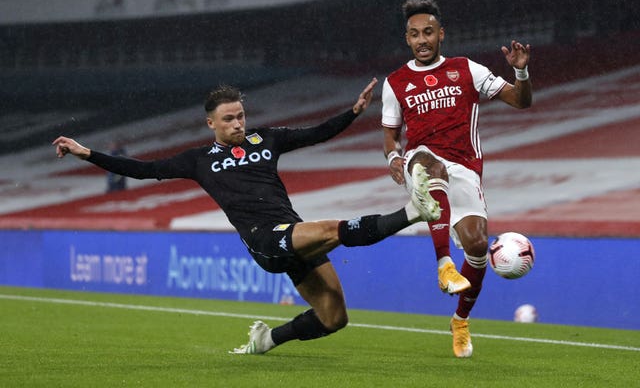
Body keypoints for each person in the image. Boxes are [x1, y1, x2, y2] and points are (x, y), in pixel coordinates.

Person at [53, 78, 440, 354]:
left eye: (240, 116)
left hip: (292, 231)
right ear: (211, 124)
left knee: (334, 317)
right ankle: (412, 211)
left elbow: (316, 133)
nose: (237, 123)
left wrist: (353, 113)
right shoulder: (198, 160)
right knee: (329, 229)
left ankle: (267, 340)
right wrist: (87, 153)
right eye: (228, 119)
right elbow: (141, 169)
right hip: (264, 240)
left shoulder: (266, 138)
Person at [381, 0, 532, 358]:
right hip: (421, 160)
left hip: (465, 167)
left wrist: (521, 73)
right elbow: (391, 133)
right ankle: (444, 265)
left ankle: (460, 320)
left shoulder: (466, 69)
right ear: (407, 39)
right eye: (415, 34)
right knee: (429, 165)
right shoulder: (396, 82)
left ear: (441, 34)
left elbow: (520, 101)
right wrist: (393, 156)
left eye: (428, 32)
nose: (422, 40)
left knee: (479, 246)